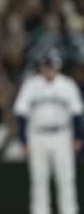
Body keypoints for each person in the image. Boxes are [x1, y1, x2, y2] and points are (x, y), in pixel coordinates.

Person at [14, 49, 83, 214]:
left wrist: (78, 137)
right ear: (41, 67)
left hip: (62, 135)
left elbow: (77, 113)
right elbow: (20, 113)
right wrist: (24, 140)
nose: (49, 69)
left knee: (66, 179)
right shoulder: (31, 85)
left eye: (51, 65)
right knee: (39, 180)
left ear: (57, 66)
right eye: (46, 66)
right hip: (37, 136)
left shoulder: (67, 85)